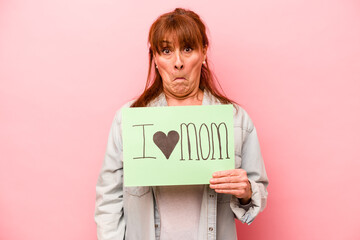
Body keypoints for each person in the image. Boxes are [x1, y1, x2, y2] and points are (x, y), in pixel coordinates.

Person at [95, 8, 268, 240]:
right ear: (155, 58)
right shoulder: (128, 119)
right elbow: (109, 200)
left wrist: (246, 191)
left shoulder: (235, 120)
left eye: (187, 49)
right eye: (166, 51)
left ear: (204, 52)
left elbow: (256, 196)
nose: (178, 63)